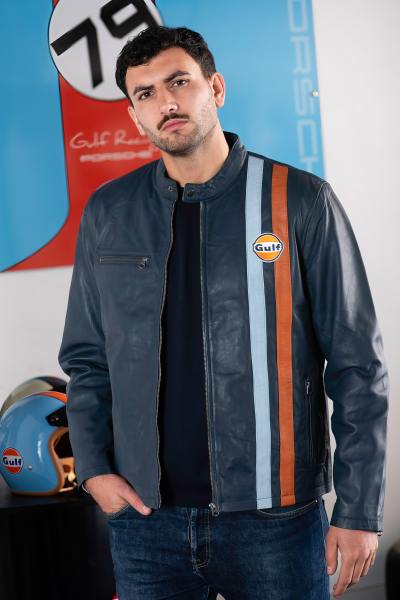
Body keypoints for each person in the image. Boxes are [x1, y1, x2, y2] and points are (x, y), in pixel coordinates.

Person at [58, 25, 389, 600]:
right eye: (146, 93)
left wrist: (359, 510)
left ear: (215, 88)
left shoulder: (301, 200)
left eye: (179, 82)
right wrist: (94, 471)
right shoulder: (109, 211)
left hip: (275, 520)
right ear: (134, 116)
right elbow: (87, 359)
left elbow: (358, 366)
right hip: (145, 520)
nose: (166, 103)